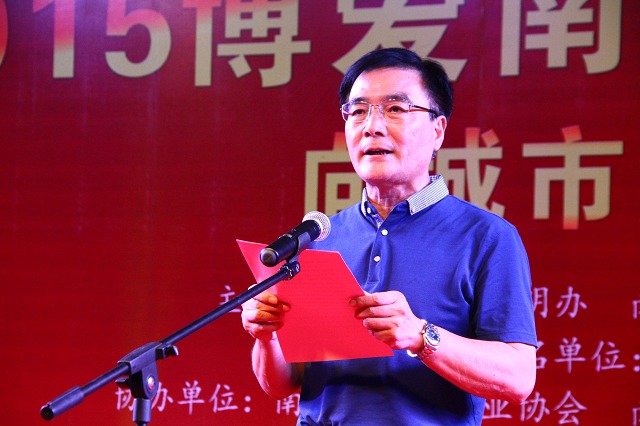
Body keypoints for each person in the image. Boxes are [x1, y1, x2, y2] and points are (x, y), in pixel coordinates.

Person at [241, 47, 537, 425]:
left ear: (437, 130)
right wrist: (267, 337)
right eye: (358, 111)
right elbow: (284, 383)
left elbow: (517, 378)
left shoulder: (486, 237)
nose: (372, 126)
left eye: (395, 109)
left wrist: (420, 335)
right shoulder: (319, 237)